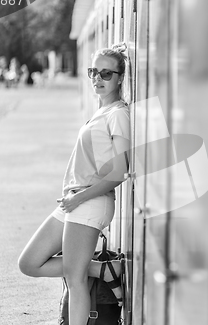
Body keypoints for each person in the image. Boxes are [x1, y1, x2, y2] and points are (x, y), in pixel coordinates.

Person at [18, 43, 132, 325]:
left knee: (74, 278)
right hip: (75, 201)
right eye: (94, 71)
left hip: (90, 202)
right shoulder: (102, 111)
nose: (98, 78)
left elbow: (119, 173)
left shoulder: (118, 114)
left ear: (120, 77)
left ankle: (97, 274)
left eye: (106, 74)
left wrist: (78, 199)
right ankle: (104, 270)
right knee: (29, 262)